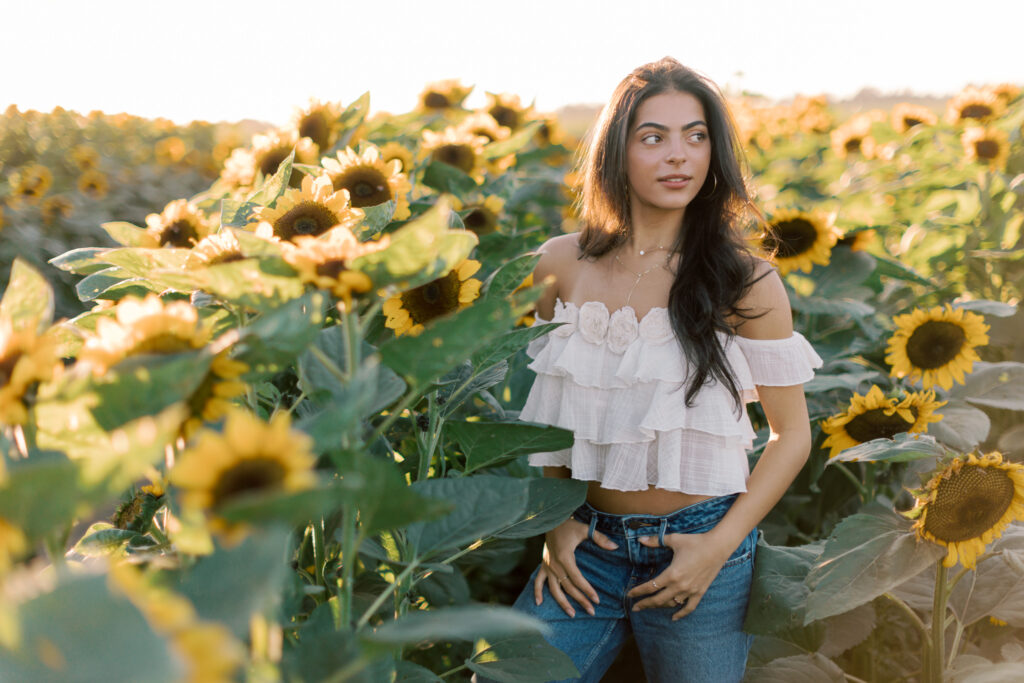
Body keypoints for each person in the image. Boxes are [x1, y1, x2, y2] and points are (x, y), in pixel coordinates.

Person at [501, 58, 823, 682]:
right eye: (654, 137)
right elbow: (548, 406)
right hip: (585, 545)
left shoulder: (746, 280)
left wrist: (717, 549)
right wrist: (555, 519)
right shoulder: (558, 264)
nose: (679, 155)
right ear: (615, 152)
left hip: (701, 546)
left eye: (695, 135)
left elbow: (793, 435)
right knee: (504, 676)